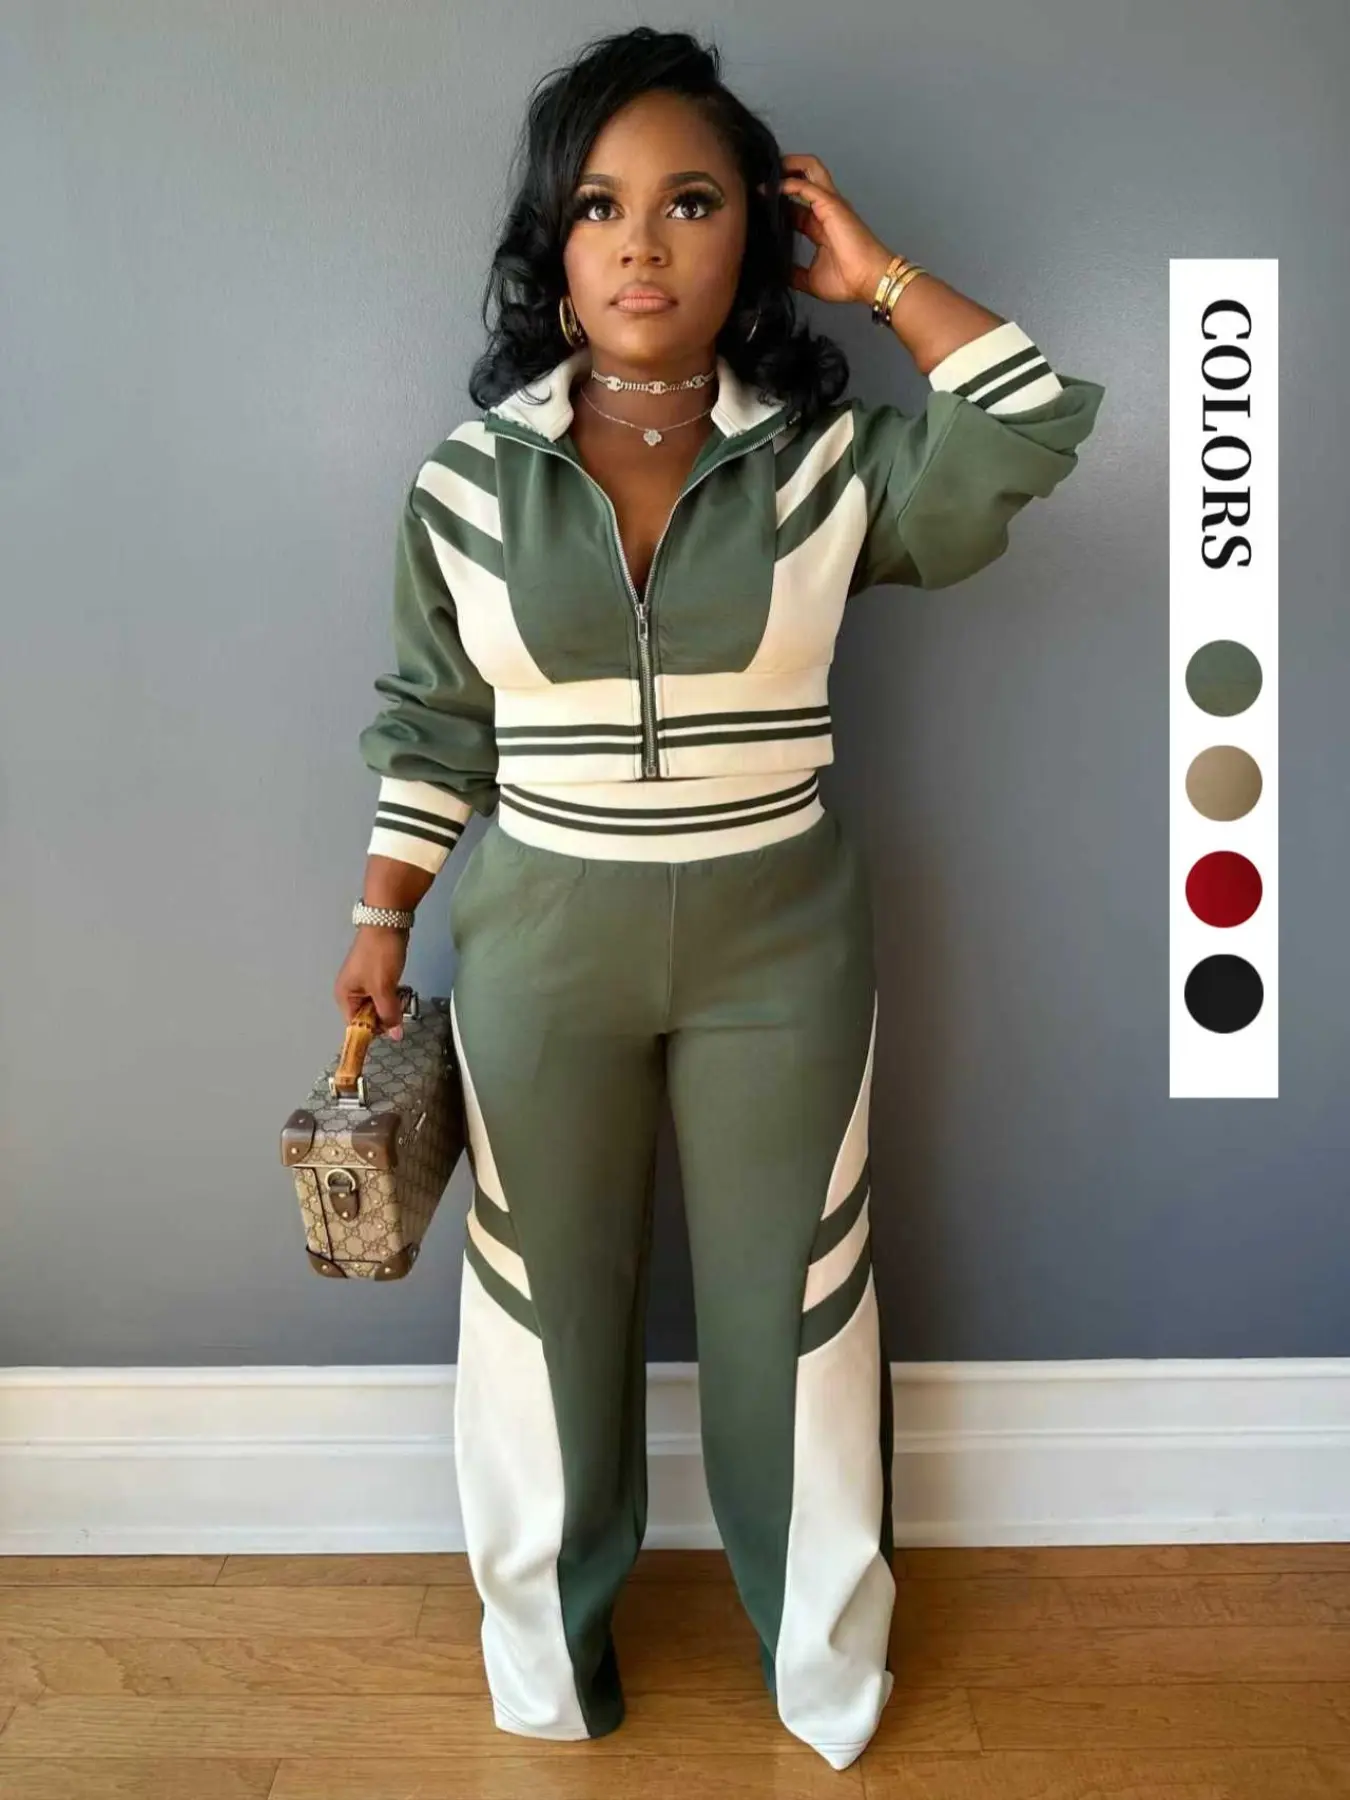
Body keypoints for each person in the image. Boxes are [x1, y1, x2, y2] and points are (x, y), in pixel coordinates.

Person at [333, 24, 1105, 1772]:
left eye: (690, 202)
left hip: (783, 943)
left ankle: (822, 1673)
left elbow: (1031, 420)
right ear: (552, 239)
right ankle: (548, 1670)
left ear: (754, 231)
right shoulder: (464, 482)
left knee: (801, 1304)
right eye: (598, 205)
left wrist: (877, 275)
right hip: (540, 943)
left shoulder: (829, 467)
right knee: (538, 1302)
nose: (641, 244)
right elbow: (431, 723)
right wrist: (380, 920)